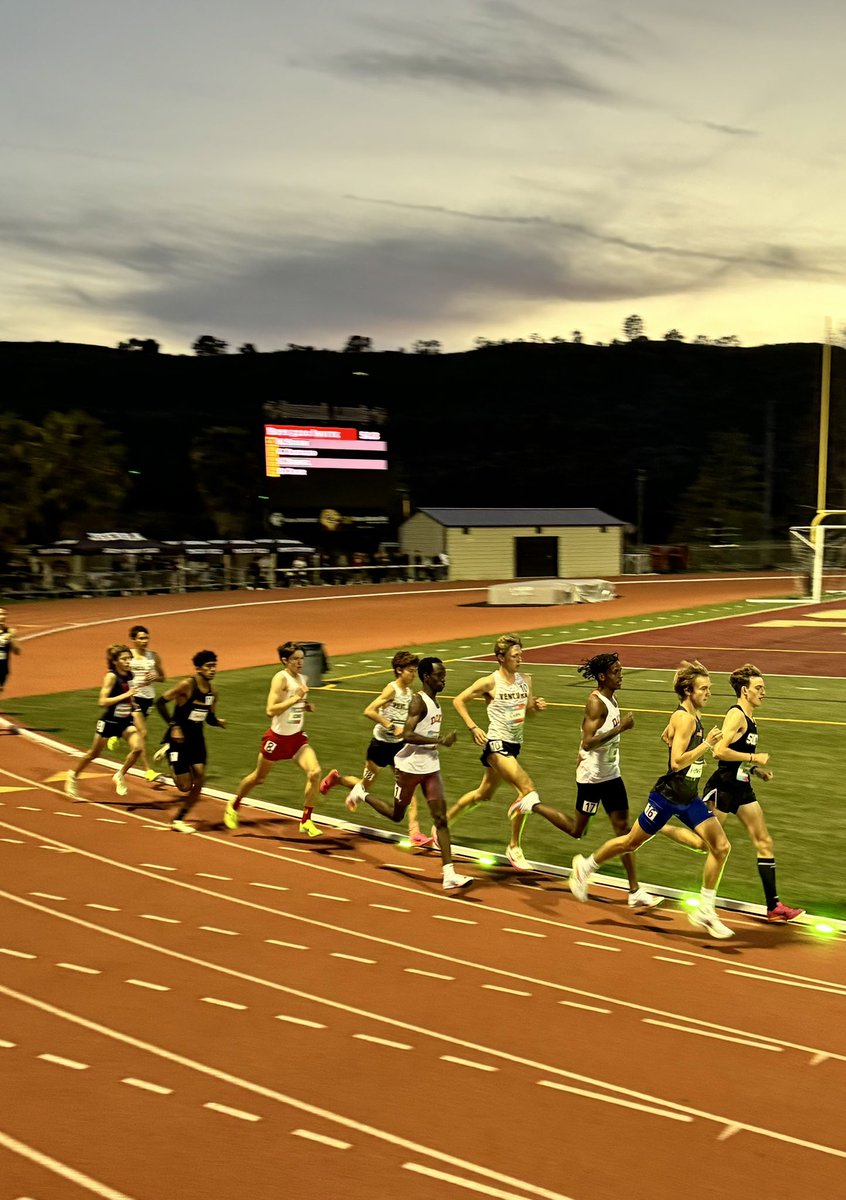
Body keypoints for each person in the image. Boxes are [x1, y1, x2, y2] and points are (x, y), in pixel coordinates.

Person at [568, 660, 735, 939]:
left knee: (721, 846)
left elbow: (666, 736)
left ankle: (706, 909)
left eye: (709, 688)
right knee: (631, 841)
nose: (708, 693)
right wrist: (706, 745)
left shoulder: (689, 717)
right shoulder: (684, 718)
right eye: (703, 688)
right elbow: (675, 764)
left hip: (688, 797)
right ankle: (585, 866)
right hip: (667, 798)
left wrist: (684, 743)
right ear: (688, 691)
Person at [344, 657, 473, 891]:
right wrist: (439, 740)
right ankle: (361, 794)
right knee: (396, 815)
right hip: (410, 767)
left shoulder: (435, 701)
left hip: (431, 767)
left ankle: (449, 874)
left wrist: (436, 744)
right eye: (439, 675)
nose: (444, 678)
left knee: (441, 819)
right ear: (427, 677)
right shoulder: (418, 702)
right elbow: (408, 735)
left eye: (444, 674)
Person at [703, 664, 803, 922]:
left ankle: (774, 906)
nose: (764, 692)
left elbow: (737, 758)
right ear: (745, 691)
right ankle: (658, 826)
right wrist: (753, 755)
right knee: (703, 845)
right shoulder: (736, 715)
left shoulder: (750, 719)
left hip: (742, 786)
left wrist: (756, 769)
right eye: (759, 688)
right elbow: (719, 751)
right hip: (723, 787)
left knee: (764, 841)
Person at [446, 633, 546, 869]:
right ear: (500, 658)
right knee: (528, 791)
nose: (519, 660)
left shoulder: (526, 680)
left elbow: (527, 713)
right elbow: (458, 700)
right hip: (496, 744)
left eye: (521, 654)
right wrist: (473, 727)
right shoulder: (489, 682)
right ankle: (514, 847)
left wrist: (535, 707)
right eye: (514, 656)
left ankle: (443, 823)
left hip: (514, 745)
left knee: (483, 795)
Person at [319, 650, 432, 845]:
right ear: (399, 670)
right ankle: (338, 780)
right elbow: (369, 710)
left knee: (409, 787)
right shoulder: (392, 690)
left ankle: (415, 831)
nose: (414, 675)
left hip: (399, 748)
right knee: (365, 785)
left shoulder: (408, 692)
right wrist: (390, 725)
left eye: (415, 671)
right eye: (410, 671)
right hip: (380, 746)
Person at [223, 642, 324, 837]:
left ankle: (306, 820)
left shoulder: (303, 678)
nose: (300, 662)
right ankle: (233, 805)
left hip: (296, 738)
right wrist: (296, 699)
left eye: (302, 658)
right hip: (277, 739)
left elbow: (294, 705)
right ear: (285, 660)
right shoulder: (280, 678)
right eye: (295, 659)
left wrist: (305, 706)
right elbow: (270, 710)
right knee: (258, 778)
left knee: (315, 772)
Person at [155, 650, 225, 833]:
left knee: (200, 777)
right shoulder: (186, 685)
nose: (212, 670)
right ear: (198, 668)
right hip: (178, 738)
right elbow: (160, 702)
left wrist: (218, 722)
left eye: (214, 666)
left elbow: (209, 718)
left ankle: (179, 819)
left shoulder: (213, 693)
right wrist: (173, 726)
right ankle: (170, 753)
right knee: (185, 787)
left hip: (196, 738)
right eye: (208, 666)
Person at [65, 644, 145, 800]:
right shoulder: (111, 676)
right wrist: (127, 695)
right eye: (124, 659)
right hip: (109, 722)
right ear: (115, 661)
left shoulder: (129, 675)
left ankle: (120, 774)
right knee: (93, 754)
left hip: (125, 721)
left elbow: (127, 694)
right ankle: (73, 775)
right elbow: (102, 702)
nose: (128, 661)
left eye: (129, 658)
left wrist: (132, 700)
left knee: (138, 748)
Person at [121, 624, 168, 783]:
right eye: (141, 638)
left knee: (136, 732)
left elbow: (163, 677)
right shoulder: (127, 656)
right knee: (143, 733)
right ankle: (147, 770)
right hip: (133, 697)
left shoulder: (153, 656)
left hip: (148, 698)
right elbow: (118, 675)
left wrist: (155, 677)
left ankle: (115, 732)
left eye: (146, 638)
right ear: (133, 639)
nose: (144, 641)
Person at [0, 607, 21, 700]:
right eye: (0, 614)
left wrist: (12, 638)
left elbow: (17, 651)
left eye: (4, 614)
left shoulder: (10, 632)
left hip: (3, 665)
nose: (2, 617)